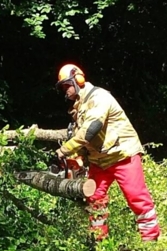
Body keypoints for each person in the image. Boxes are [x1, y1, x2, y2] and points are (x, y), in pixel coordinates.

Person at [54, 64, 160, 241]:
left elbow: (91, 130)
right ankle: (99, 240)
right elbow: (82, 136)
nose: (66, 91)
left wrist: (64, 151)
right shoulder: (80, 106)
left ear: (78, 79)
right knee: (94, 198)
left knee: (136, 196)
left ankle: (150, 239)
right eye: (63, 87)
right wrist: (77, 156)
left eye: (67, 85)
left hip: (122, 154)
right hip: (100, 160)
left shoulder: (99, 97)